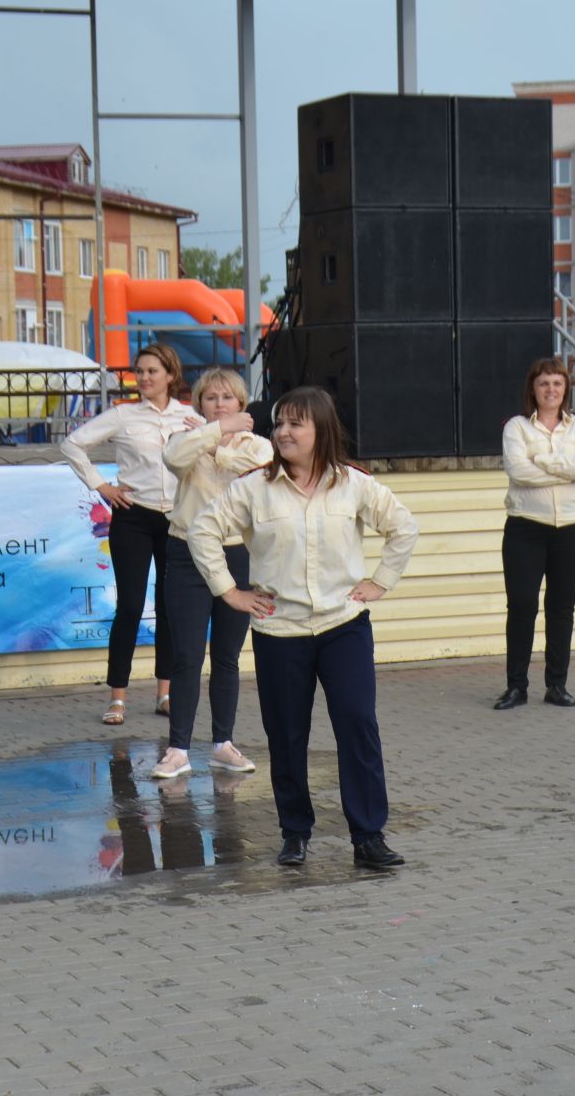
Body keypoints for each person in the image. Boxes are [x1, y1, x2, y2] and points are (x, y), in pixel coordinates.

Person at [188, 386, 418, 871]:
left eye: (296, 424)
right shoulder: (254, 486)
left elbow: (403, 527)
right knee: (286, 736)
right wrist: (230, 591)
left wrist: (381, 581)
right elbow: (203, 529)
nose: (284, 432)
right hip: (281, 632)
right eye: (279, 423)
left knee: (357, 725)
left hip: (344, 626)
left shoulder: (353, 484)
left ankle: (368, 836)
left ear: (321, 430)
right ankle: (295, 833)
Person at [60, 343, 196, 725]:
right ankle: (117, 697)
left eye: (153, 371)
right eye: (141, 371)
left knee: (170, 607)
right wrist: (101, 486)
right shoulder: (123, 415)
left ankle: (165, 693)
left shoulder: (188, 416)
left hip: (176, 520)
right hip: (133, 516)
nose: (145, 378)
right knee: (131, 607)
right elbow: (72, 444)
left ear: (171, 374)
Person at [155, 367, 273, 779]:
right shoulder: (184, 437)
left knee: (226, 656)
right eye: (211, 398)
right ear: (199, 403)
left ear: (242, 404)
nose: (219, 405)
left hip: (235, 554)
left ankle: (223, 743)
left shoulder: (256, 444)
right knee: (186, 655)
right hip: (186, 551)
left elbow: (255, 466)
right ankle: (177, 749)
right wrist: (213, 434)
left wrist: (214, 445)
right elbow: (174, 458)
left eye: (227, 399)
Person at [497, 356, 575, 709]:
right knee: (522, 606)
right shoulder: (516, 428)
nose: (551, 390)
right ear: (533, 389)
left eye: (557, 383)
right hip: (526, 528)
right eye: (544, 383)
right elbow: (518, 471)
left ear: (566, 389)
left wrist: (543, 461)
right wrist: (569, 470)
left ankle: (557, 685)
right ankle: (516, 686)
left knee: (561, 608)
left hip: (573, 528)